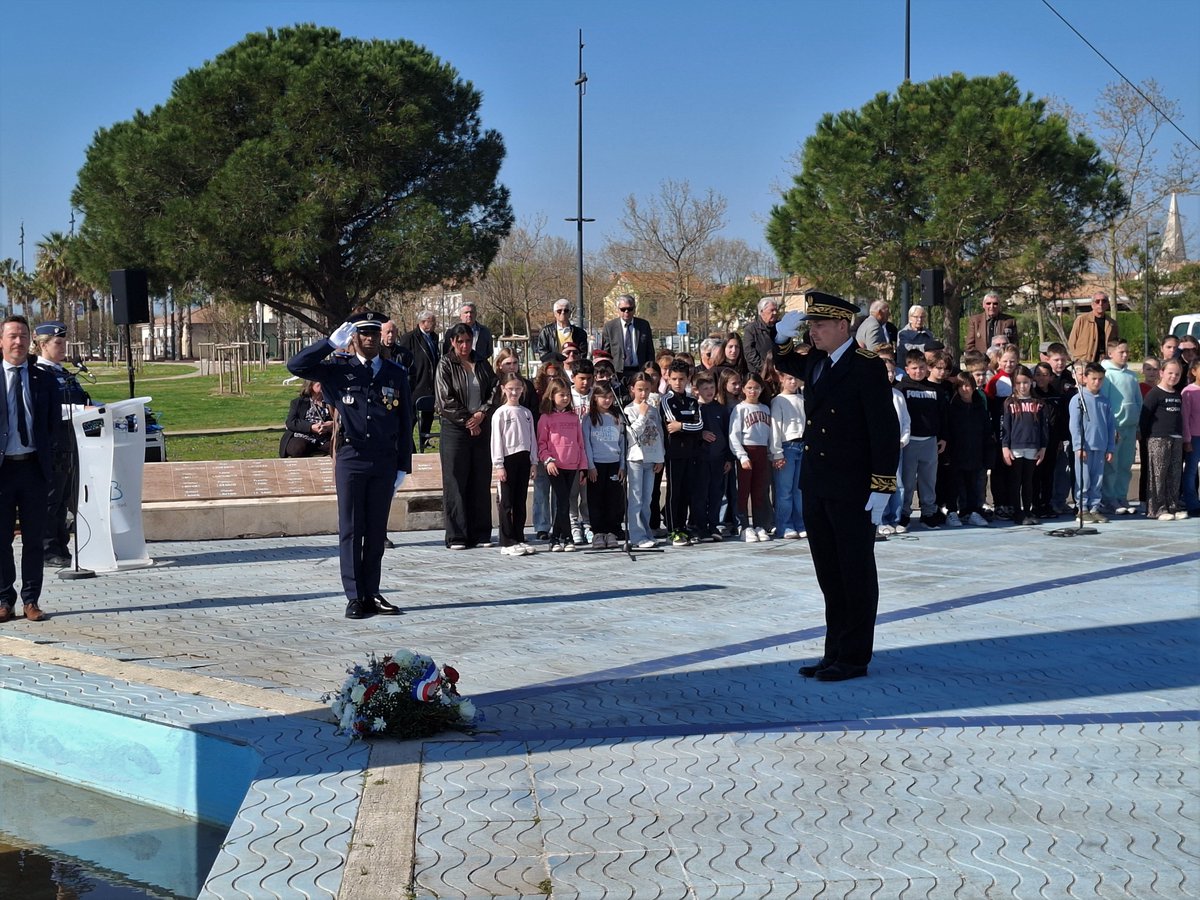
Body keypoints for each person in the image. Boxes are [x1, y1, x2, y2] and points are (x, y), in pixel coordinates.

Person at [772, 292, 900, 682]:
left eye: (819, 325)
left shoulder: (866, 367)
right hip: (818, 483)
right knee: (829, 573)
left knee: (855, 572)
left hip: (852, 486)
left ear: (843, 326)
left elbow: (884, 428)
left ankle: (855, 656)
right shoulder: (816, 360)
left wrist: (881, 486)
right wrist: (778, 335)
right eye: (810, 325)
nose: (812, 331)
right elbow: (781, 358)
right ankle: (834, 652)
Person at [288, 311, 413, 618]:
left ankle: (373, 592)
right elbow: (296, 365)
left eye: (374, 333)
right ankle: (354, 595)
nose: (369, 339)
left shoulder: (395, 373)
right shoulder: (337, 369)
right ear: (354, 337)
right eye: (364, 334)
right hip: (352, 457)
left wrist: (403, 466)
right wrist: (329, 343)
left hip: (383, 459)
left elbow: (405, 420)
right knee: (351, 529)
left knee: (375, 530)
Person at [1, 314, 59, 623]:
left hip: (34, 470)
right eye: (12, 336)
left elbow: (53, 425)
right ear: (1, 341)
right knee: (1, 540)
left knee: (34, 540)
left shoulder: (43, 378)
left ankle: (31, 600)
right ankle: (4, 599)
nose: (18, 342)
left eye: (23, 336)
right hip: (2, 471)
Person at [435, 321, 498, 550]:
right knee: (455, 481)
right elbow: (445, 400)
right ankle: (457, 535)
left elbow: (494, 390)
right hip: (455, 429)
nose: (464, 345)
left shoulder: (481, 362)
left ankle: (480, 533)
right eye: (460, 341)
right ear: (452, 342)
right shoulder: (445, 364)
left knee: (480, 480)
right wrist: (468, 420)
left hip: (481, 426)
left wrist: (482, 413)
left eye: (468, 341)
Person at [33, 321, 91, 568]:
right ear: (42, 345)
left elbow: (81, 399)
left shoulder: (64, 373)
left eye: (64, 342)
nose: (63, 347)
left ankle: (61, 546)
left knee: (65, 497)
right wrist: (82, 409)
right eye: (58, 343)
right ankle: (47, 549)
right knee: (51, 499)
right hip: (52, 444)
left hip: (71, 443)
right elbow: (48, 409)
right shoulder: (38, 374)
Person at [898, 349, 947, 529]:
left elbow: (943, 416)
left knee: (928, 480)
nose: (918, 371)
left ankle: (928, 512)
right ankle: (904, 512)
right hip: (909, 442)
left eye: (921, 367)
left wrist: (943, 437)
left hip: (930, 441)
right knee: (908, 480)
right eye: (914, 368)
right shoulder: (901, 389)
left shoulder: (936, 390)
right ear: (906, 369)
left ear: (927, 368)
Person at [490, 372, 537, 556]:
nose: (514, 392)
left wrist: (534, 461)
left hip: (523, 459)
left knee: (520, 501)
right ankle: (507, 540)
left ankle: (518, 537)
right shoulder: (500, 414)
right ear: (503, 389)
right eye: (511, 389)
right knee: (506, 502)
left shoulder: (526, 413)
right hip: (507, 459)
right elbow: (496, 441)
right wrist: (499, 465)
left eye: (518, 388)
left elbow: (532, 438)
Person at [537, 378, 586, 552]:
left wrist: (583, 467)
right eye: (561, 395)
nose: (565, 398)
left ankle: (557, 538)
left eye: (567, 395)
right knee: (563, 501)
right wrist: (548, 460)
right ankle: (567, 537)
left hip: (572, 465)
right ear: (552, 396)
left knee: (564, 502)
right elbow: (541, 443)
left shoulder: (574, 418)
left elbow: (580, 443)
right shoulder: (545, 418)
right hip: (555, 466)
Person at [661, 358, 704, 547]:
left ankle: (682, 525)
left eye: (682, 379)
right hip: (674, 453)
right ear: (668, 379)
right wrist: (686, 426)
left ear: (688, 379)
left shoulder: (692, 401)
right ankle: (672, 529)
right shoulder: (666, 400)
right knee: (674, 492)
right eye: (674, 379)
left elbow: (700, 425)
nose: (678, 383)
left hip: (691, 453)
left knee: (687, 491)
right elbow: (671, 425)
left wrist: (683, 426)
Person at [1139, 357, 1186, 521]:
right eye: (1170, 373)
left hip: (1176, 439)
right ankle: (1156, 508)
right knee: (1157, 475)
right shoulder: (1154, 394)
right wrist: (1146, 437)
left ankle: (1172, 506)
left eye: (1177, 374)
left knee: (1174, 474)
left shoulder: (1178, 395)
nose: (1173, 376)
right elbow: (1144, 418)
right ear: (1162, 373)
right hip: (1158, 439)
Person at [1000, 366, 1048, 525]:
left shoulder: (1039, 403)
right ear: (1014, 384)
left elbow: (1043, 427)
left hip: (1033, 447)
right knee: (1015, 481)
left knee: (1029, 481)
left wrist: (1043, 447)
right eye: (1019, 383)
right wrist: (1005, 446)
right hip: (1015, 448)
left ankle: (1027, 511)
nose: (1022, 386)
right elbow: (1005, 426)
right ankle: (1017, 512)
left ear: (1031, 382)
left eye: (1026, 382)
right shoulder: (1009, 403)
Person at [729, 372, 773, 542]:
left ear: (761, 389)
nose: (752, 391)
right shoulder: (740, 409)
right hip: (746, 452)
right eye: (749, 387)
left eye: (756, 387)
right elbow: (734, 435)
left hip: (762, 453)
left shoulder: (765, 408)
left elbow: (769, 434)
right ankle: (743, 526)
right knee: (743, 491)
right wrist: (741, 455)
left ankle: (759, 524)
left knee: (760, 490)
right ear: (743, 389)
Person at [1069, 362, 1116, 523]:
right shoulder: (1078, 399)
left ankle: (1095, 507)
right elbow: (1074, 425)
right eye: (1094, 378)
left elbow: (1111, 426)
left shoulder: (1105, 401)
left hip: (1101, 446)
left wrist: (1110, 447)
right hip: (1085, 447)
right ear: (1086, 378)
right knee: (1084, 479)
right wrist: (1078, 445)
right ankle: (1082, 508)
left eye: (1100, 379)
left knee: (1097, 479)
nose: (1097, 382)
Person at [1099, 339, 1141, 514]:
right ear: (1111, 353)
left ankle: (1121, 496)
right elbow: (1105, 403)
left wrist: (1137, 425)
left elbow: (1138, 401)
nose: (1125, 355)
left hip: (1130, 428)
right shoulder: (1107, 374)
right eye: (1121, 352)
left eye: (1126, 352)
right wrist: (1110, 428)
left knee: (1125, 465)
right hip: (1115, 428)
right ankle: (1109, 498)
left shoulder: (1132, 375)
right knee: (1111, 466)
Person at [623, 373, 664, 549]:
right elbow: (633, 435)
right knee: (636, 498)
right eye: (640, 389)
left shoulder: (653, 410)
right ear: (632, 389)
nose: (643, 393)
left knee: (647, 499)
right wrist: (641, 415)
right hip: (636, 459)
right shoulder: (628, 410)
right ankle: (636, 535)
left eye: (647, 389)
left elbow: (659, 434)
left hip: (651, 457)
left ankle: (646, 532)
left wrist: (660, 457)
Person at [944, 373, 991, 527]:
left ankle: (971, 512)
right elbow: (948, 431)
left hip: (975, 452)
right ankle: (952, 511)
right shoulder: (952, 408)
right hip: (956, 452)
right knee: (953, 485)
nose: (965, 389)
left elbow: (986, 432)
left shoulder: (979, 407)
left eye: (968, 385)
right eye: (961, 386)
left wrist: (986, 453)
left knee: (973, 485)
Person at [583, 384, 626, 549]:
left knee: (613, 500)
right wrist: (590, 466)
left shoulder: (617, 417)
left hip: (613, 463)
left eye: (610, 397)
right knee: (596, 499)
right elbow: (586, 443)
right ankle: (598, 533)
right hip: (597, 465)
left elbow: (622, 442)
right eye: (603, 397)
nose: (607, 400)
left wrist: (622, 465)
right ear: (595, 398)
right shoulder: (589, 419)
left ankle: (611, 532)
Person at [693, 370, 732, 543]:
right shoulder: (694, 408)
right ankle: (700, 527)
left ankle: (714, 524)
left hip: (718, 459)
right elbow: (688, 432)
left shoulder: (721, 410)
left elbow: (727, 433)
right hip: (701, 459)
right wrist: (700, 433)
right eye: (705, 388)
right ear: (697, 391)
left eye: (712, 387)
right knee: (700, 494)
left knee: (716, 493)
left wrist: (729, 458)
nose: (709, 391)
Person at [770, 371, 806, 539]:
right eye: (789, 378)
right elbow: (775, 427)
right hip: (787, 446)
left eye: (795, 378)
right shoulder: (778, 400)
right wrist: (777, 452)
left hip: (803, 445)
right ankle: (784, 525)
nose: (793, 382)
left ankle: (800, 524)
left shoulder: (803, 398)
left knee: (799, 489)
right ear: (782, 379)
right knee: (785, 490)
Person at [397, 310, 439, 450]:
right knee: (411, 419)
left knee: (428, 415)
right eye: (432, 321)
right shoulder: (409, 338)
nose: (435, 324)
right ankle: (410, 447)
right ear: (423, 322)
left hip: (430, 384)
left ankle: (425, 441)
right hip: (416, 385)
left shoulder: (434, 337)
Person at [599, 294, 654, 377]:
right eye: (623, 309)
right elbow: (605, 352)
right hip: (617, 372)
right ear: (618, 310)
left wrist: (649, 370)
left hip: (639, 371)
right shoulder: (610, 327)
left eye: (630, 309)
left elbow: (650, 350)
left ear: (634, 309)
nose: (626, 312)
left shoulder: (643, 325)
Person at [280, 380, 334, 458]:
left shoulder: (331, 402)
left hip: (324, 437)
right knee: (298, 448)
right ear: (311, 385)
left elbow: (341, 420)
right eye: (320, 382)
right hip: (302, 435)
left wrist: (331, 425)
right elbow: (291, 422)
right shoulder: (298, 402)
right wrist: (311, 427)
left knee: (340, 448)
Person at [1067, 292, 1120, 364]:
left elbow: (1115, 344)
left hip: (1104, 362)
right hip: (1084, 361)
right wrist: (1075, 360)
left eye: (1104, 301)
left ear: (1107, 304)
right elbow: (1072, 342)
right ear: (1092, 305)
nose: (1100, 304)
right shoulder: (1082, 320)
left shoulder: (1112, 324)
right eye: (1097, 301)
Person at [1182, 358, 1200, 516]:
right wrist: (1187, 439)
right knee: (1191, 471)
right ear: (1194, 371)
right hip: (1194, 437)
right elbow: (1185, 417)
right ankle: (1192, 503)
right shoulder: (1188, 391)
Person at [743, 298, 779, 375]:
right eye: (772, 310)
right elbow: (749, 353)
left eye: (776, 310)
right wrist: (765, 368)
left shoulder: (780, 328)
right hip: (759, 374)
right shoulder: (751, 330)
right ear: (761, 312)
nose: (775, 313)